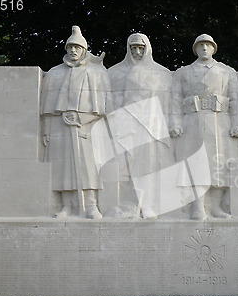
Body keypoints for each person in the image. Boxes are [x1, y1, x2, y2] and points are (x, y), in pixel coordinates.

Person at [170, 34, 238, 220]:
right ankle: (198, 207)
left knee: (218, 164)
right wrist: (175, 123)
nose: (204, 48)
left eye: (208, 45)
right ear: (195, 49)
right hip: (193, 121)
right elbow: (175, 100)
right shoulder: (183, 72)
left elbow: (235, 99)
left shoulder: (227, 71)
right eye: (200, 45)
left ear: (213, 48)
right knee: (196, 164)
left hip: (219, 122)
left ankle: (216, 207)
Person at [41, 26, 111, 219]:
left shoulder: (93, 73)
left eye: (77, 47)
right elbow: (46, 108)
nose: (73, 51)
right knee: (63, 167)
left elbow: (102, 107)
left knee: (87, 166)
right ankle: (67, 206)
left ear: (84, 50)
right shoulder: (55, 73)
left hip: (85, 126)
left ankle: (91, 205)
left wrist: (82, 118)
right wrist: (46, 130)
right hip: (59, 127)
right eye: (70, 47)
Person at [108, 33, 173, 217]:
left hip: (150, 127)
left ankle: (149, 204)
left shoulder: (161, 72)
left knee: (148, 167)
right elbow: (108, 101)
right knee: (124, 167)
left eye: (141, 48)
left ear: (147, 49)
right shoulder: (114, 72)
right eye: (133, 48)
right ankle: (129, 205)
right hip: (123, 126)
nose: (137, 52)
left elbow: (168, 103)